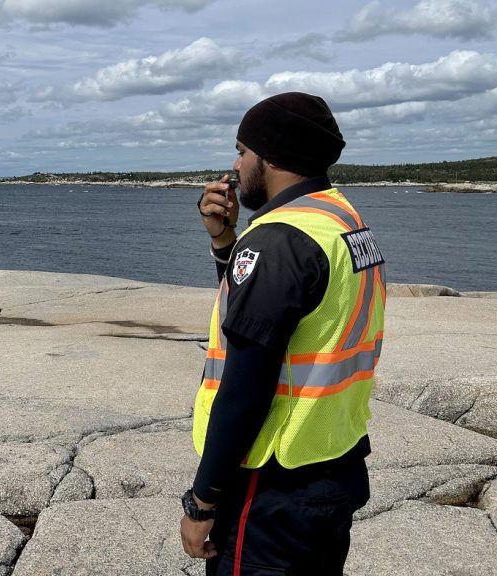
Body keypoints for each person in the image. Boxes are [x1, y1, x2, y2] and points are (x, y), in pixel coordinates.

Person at [181, 92, 386, 575]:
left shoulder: (278, 240)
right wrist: (224, 241)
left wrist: (202, 501)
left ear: (269, 155)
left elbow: (244, 389)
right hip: (333, 459)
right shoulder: (344, 221)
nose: (234, 165)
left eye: (241, 151)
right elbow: (269, 315)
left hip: (272, 483)